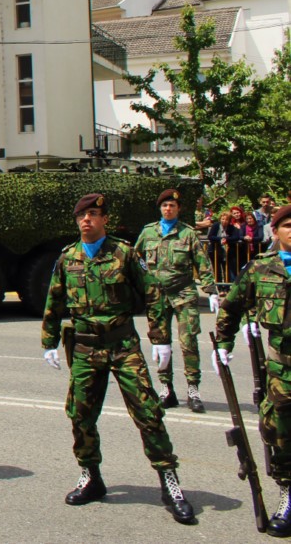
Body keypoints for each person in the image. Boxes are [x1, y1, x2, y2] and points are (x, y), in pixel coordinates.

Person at [41, 193, 194, 524]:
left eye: (94, 214)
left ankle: (170, 483)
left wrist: (160, 339)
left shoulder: (124, 253)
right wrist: (49, 341)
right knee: (80, 415)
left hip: (122, 345)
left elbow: (153, 295)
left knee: (148, 412)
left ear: (104, 220)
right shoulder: (68, 257)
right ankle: (91, 477)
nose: (87, 220)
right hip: (84, 348)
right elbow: (54, 299)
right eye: (82, 215)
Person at [215, 203, 291, 534]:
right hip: (281, 369)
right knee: (280, 433)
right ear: (274, 232)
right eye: (287, 225)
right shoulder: (261, 269)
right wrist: (223, 342)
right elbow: (231, 305)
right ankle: (289, 494)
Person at [133, 188, 218, 413]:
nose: (168, 209)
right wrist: (144, 279)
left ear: (178, 209)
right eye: (165, 205)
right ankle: (166, 388)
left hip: (183, 294)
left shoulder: (187, 234)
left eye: (172, 206)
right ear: (160, 208)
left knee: (188, 341)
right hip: (157, 297)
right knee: (161, 343)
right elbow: (135, 258)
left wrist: (212, 291)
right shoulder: (149, 232)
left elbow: (202, 262)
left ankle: (193, 389)